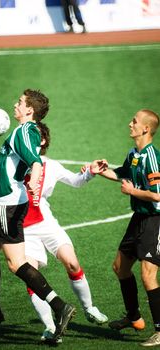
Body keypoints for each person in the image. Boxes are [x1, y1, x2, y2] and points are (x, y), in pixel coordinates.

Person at [0, 89, 75, 342]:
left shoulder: (24, 132)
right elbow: (3, 163)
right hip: (2, 202)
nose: (15, 105)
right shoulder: (27, 132)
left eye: (20, 103)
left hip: (8, 205)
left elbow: (35, 161)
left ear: (29, 110)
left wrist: (35, 181)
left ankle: (60, 307)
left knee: (16, 263)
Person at [23, 122, 108, 343]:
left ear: (42, 141)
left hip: (46, 222)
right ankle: (51, 327)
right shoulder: (15, 161)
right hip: (23, 229)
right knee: (31, 277)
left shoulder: (50, 165)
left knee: (72, 262)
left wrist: (90, 172)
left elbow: (75, 181)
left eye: (33, 135)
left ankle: (89, 308)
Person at [99, 109, 160, 347]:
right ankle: (133, 316)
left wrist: (133, 192)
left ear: (146, 128)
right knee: (120, 267)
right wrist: (100, 170)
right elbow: (122, 174)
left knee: (148, 275)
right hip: (139, 218)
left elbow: (158, 196)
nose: (129, 124)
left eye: (134, 121)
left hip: (155, 221)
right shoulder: (134, 153)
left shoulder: (152, 158)